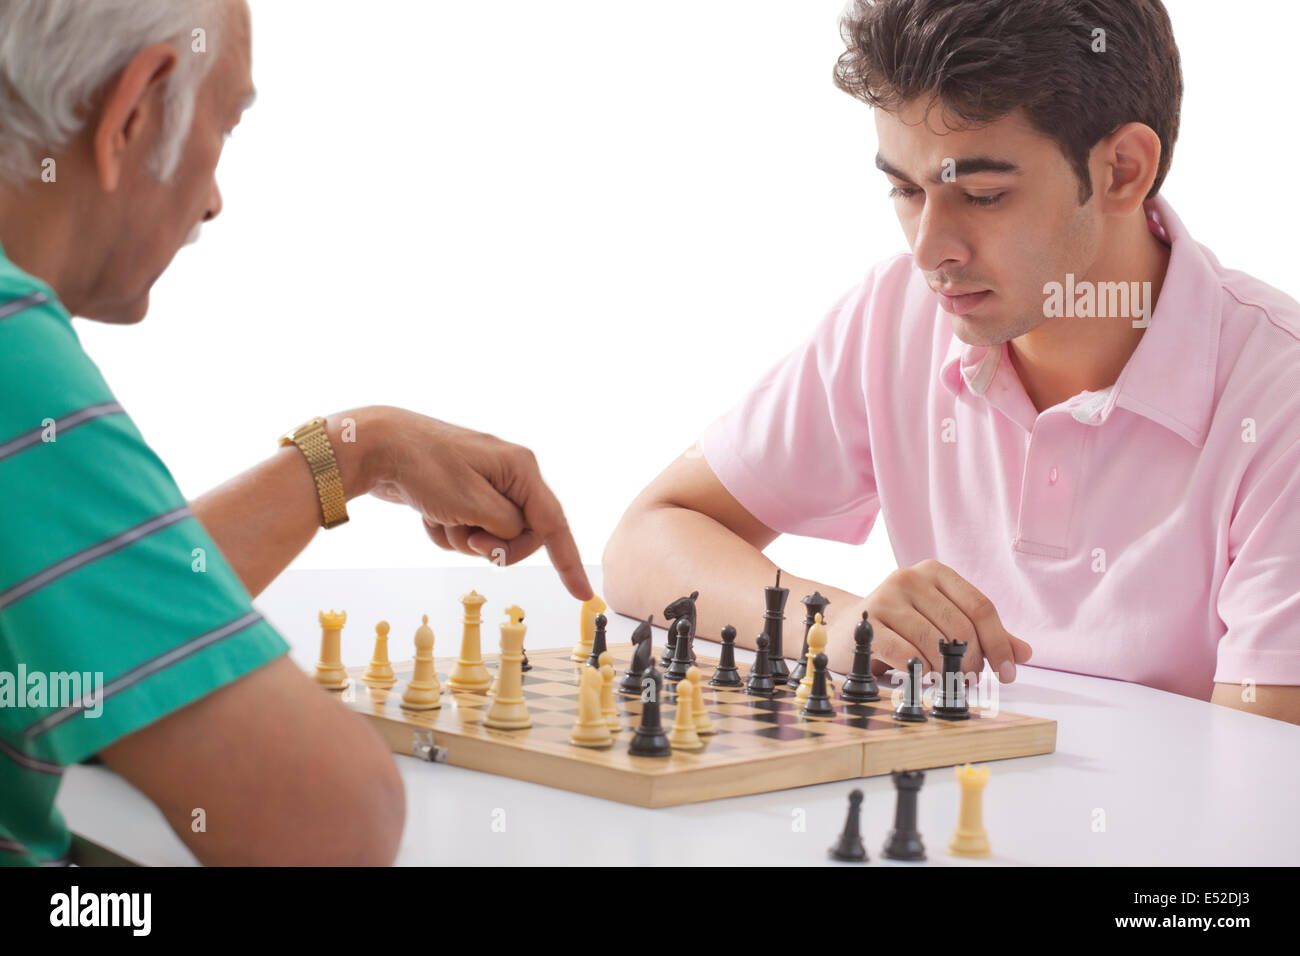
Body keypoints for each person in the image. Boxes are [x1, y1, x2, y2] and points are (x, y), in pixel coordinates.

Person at [0, 0, 591, 867]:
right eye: (225, 125)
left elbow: (85, 620)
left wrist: (357, 451)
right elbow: (332, 823)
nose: (213, 201)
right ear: (135, 111)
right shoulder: (14, 355)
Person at [603, 0, 1300, 724]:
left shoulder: (1279, 401)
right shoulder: (894, 315)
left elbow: (1258, 789)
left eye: (982, 195)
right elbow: (647, 539)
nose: (930, 251)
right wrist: (838, 624)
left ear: (1123, 169)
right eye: (906, 190)